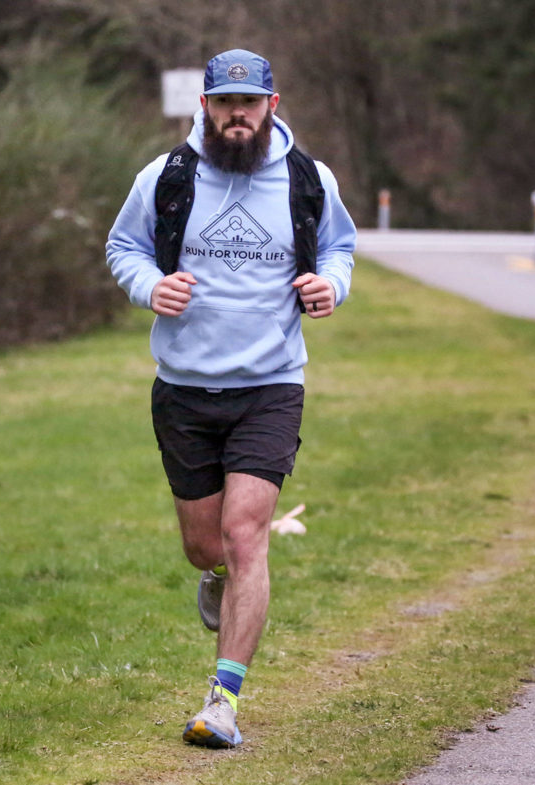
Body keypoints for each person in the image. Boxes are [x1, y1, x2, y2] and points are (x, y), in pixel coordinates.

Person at [106, 49, 356, 748]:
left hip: (271, 384)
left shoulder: (308, 179)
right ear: (207, 107)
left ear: (272, 104)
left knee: (248, 535)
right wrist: (149, 286)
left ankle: (223, 700)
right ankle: (213, 573)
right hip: (184, 387)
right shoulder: (166, 177)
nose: (237, 116)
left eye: (250, 103)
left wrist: (328, 286)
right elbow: (125, 246)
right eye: (225, 104)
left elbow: (339, 249)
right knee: (205, 544)